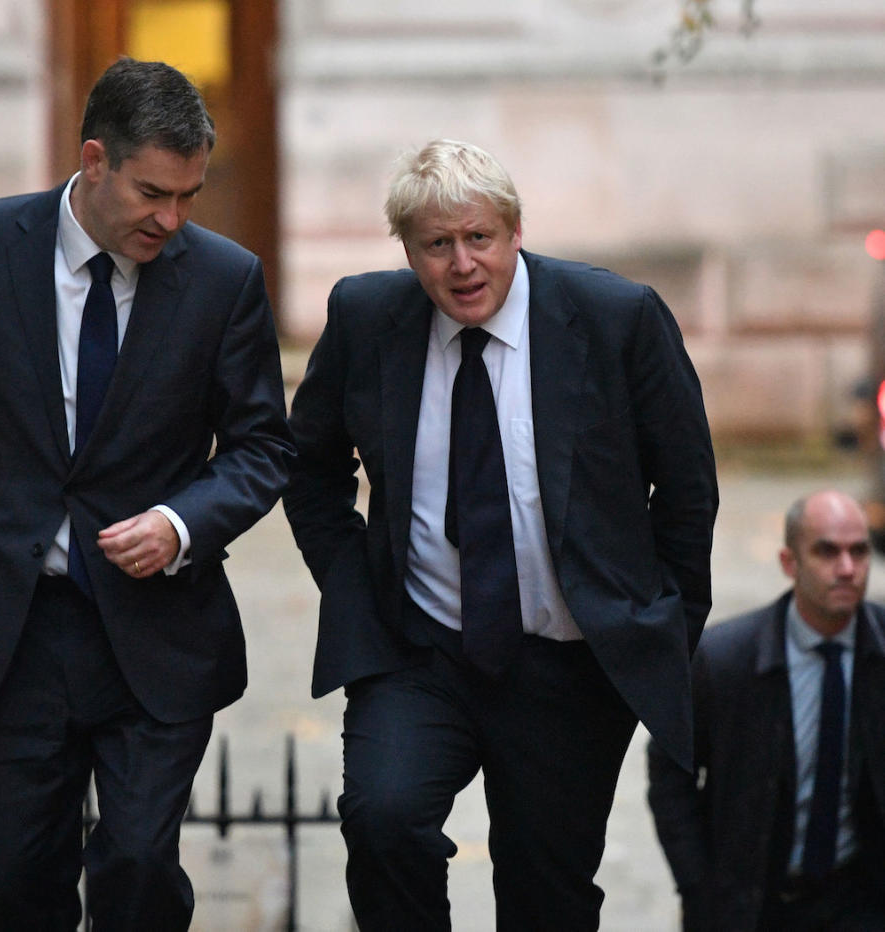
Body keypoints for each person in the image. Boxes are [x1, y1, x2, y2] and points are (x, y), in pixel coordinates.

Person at [0, 57, 293, 930]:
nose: (171, 220)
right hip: (10, 630)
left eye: (189, 196)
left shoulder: (224, 279)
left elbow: (261, 449)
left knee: (137, 869)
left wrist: (182, 524)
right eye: (152, 194)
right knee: (17, 884)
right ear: (95, 160)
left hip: (155, 633)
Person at [283, 138, 718, 930]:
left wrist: (662, 628)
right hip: (419, 652)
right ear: (409, 251)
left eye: (478, 238)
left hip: (568, 666)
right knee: (383, 823)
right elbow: (308, 467)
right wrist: (354, 586)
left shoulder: (616, 319)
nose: (461, 265)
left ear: (515, 232)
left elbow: (687, 489)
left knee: (545, 896)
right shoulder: (367, 316)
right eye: (436, 245)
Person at [648, 490, 885, 931]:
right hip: (755, 907)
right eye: (827, 551)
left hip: (863, 901)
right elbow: (669, 772)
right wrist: (699, 888)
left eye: (859, 551)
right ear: (788, 563)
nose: (848, 569)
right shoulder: (723, 661)